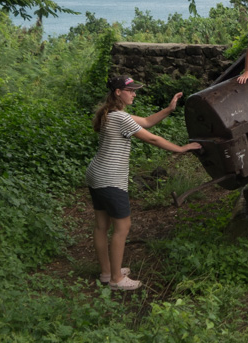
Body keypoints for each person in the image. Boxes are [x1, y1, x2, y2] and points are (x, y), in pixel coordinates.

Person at [86, 76, 201, 291]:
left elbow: (147, 121)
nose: (134, 94)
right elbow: (152, 138)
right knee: (123, 226)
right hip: (110, 178)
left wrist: (168, 109)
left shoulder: (110, 114)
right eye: (130, 90)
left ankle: (106, 272)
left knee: (101, 226)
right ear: (118, 92)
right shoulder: (120, 117)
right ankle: (116, 280)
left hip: (96, 174)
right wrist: (181, 149)